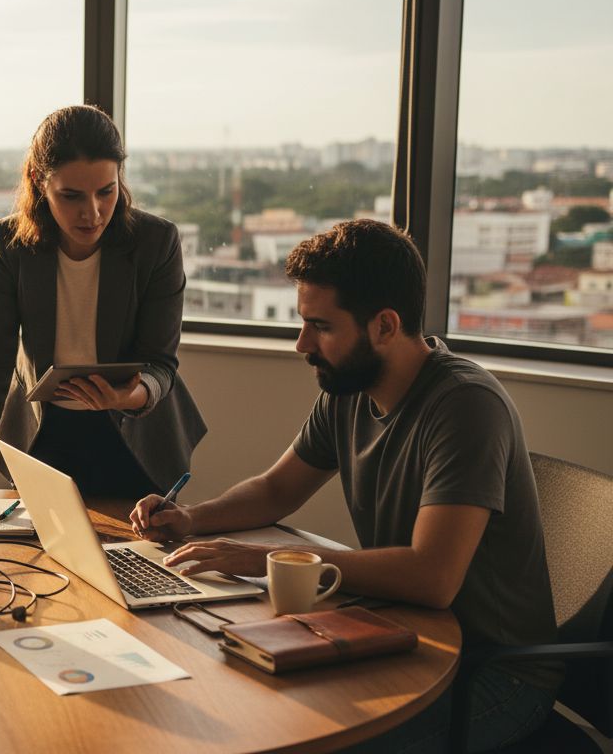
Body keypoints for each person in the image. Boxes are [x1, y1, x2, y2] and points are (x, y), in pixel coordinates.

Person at [131, 219, 559, 752]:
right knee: (241, 706)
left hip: (489, 673)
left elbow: (434, 576)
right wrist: (191, 518)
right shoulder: (348, 388)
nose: (301, 344)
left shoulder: (467, 406)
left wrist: (261, 558)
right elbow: (275, 491)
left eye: (321, 326)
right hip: (398, 635)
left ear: (384, 325)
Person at [0, 105, 206, 527]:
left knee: (136, 570)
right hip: (42, 435)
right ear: (39, 181)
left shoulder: (156, 242)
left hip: (134, 436)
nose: (92, 212)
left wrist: (126, 396)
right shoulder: (10, 243)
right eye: (72, 196)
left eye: (106, 191)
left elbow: (161, 364)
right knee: (33, 570)